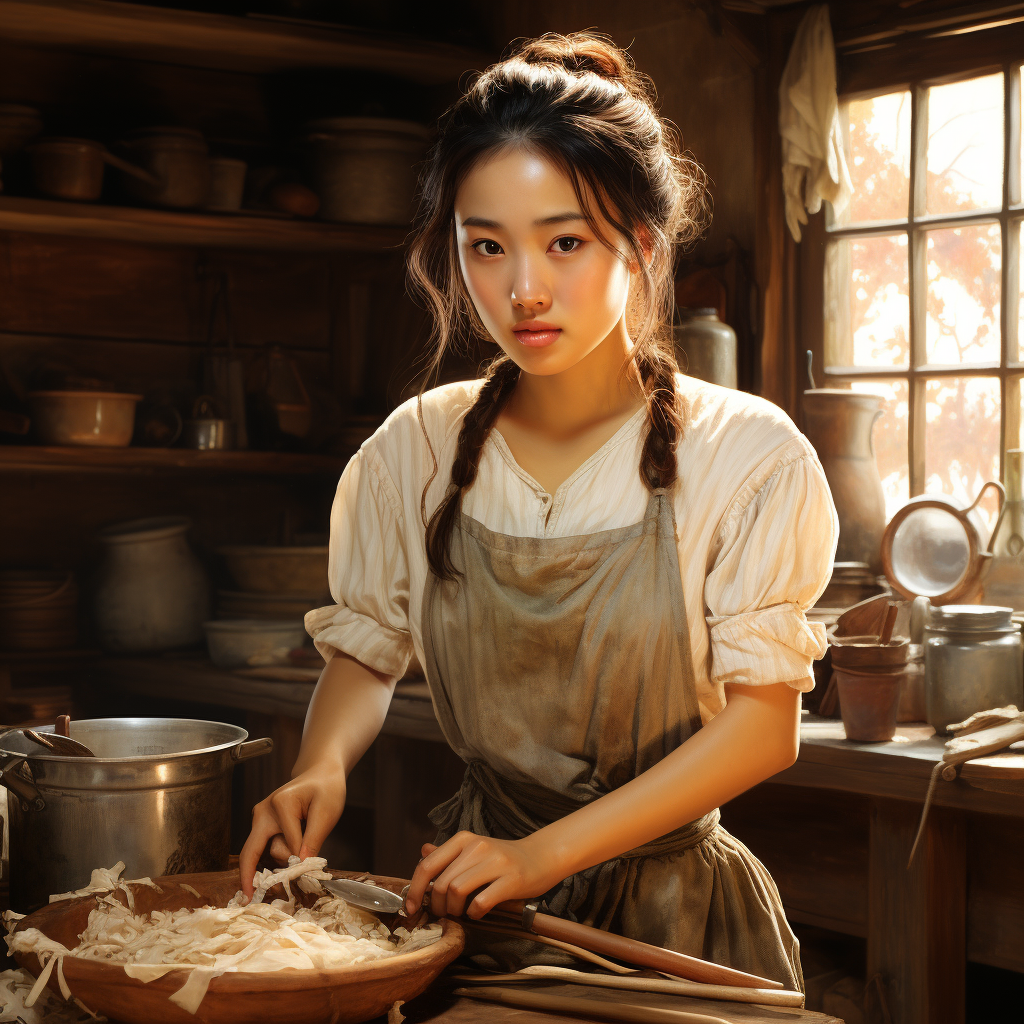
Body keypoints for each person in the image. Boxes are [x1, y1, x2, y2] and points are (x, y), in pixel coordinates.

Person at [240, 30, 838, 991]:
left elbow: (765, 728)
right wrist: (322, 766)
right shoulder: (417, 450)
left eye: (564, 241)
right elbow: (365, 651)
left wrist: (543, 855)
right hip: (471, 912)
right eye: (487, 247)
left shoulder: (745, 455)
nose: (522, 289)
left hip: (674, 933)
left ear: (639, 244)